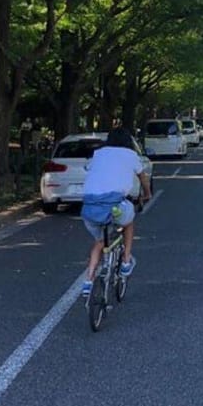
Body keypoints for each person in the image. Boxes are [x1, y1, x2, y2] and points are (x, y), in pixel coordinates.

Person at [80, 127, 151, 297]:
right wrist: (147, 194)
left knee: (100, 241)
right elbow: (143, 177)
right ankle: (126, 260)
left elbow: (90, 169)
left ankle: (88, 280)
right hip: (114, 205)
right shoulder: (131, 155)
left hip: (89, 207)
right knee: (128, 221)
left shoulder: (99, 153)